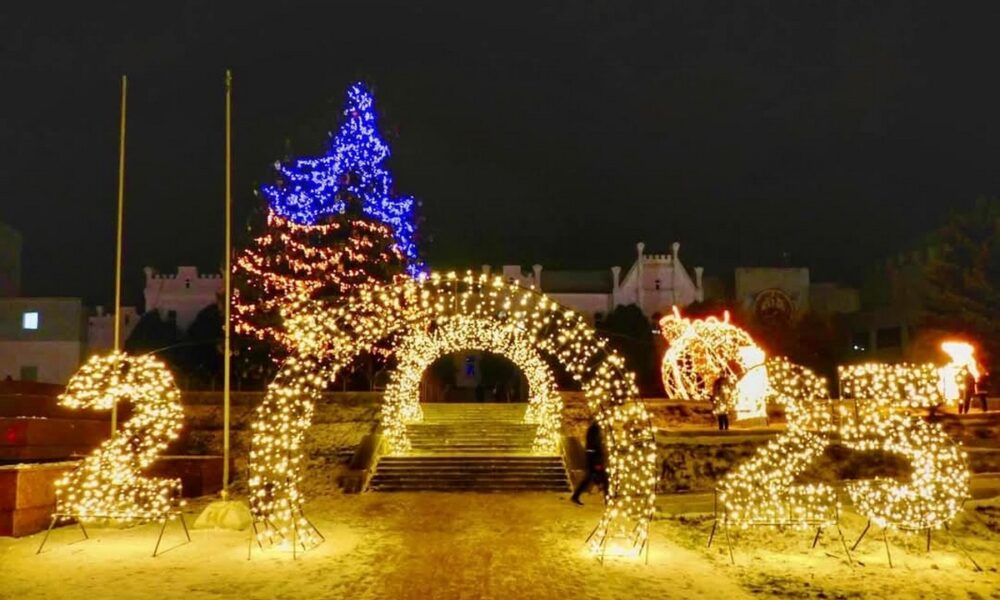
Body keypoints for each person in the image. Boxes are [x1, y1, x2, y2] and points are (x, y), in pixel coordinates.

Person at [571, 421, 607, 505]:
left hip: (594, 458)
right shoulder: (594, 430)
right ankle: (607, 497)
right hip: (595, 459)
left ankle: (575, 496)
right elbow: (594, 446)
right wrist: (597, 460)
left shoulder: (594, 429)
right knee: (603, 479)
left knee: (590, 479)